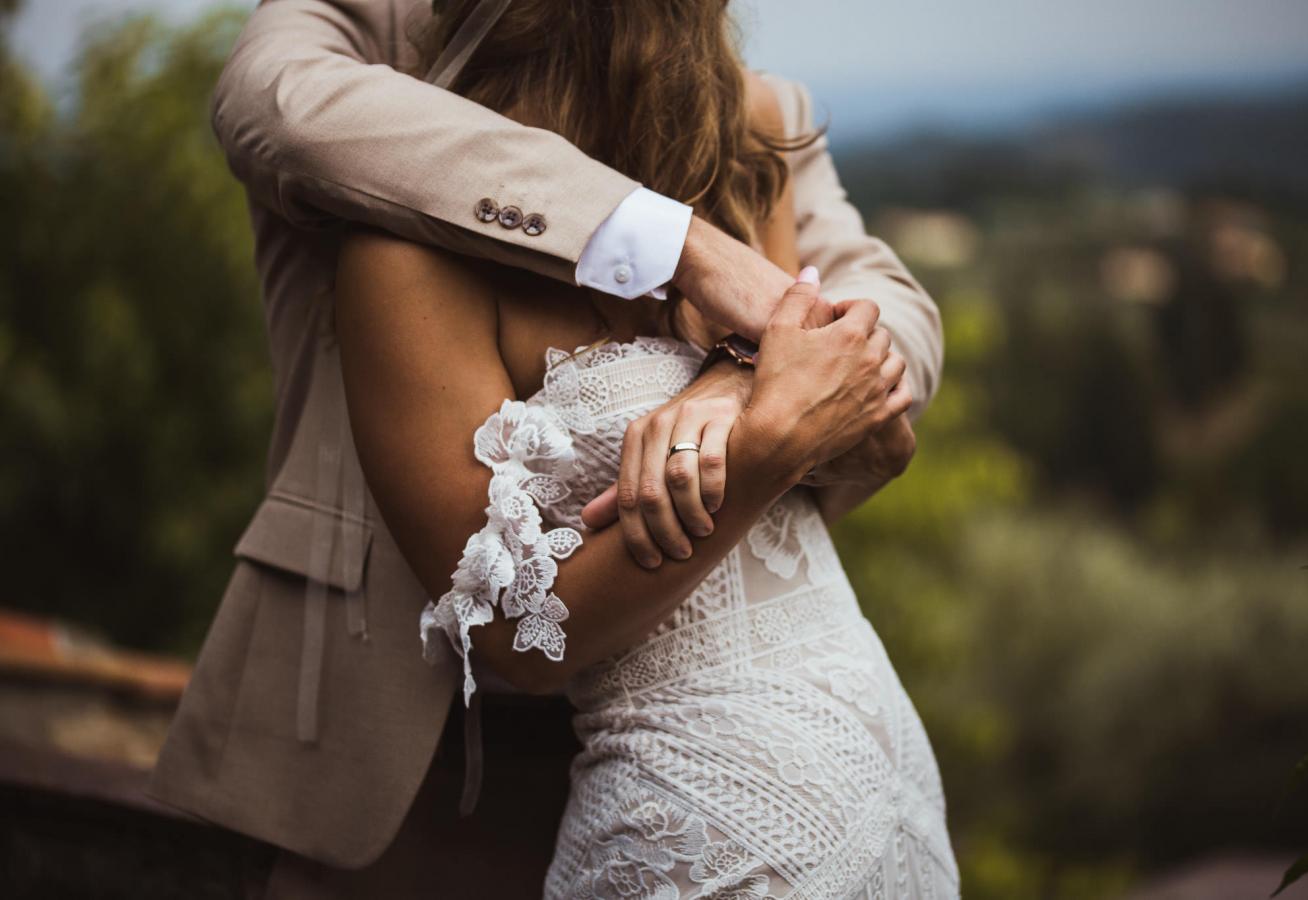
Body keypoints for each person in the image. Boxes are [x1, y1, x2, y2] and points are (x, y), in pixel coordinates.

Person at [147, 0, 949, 896]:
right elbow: (279, 109)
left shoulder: (746, 141)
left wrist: (745, 381)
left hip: (848, 761)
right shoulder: (390, 170)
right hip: (393, 703)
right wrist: (673, 245)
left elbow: (883, 312)